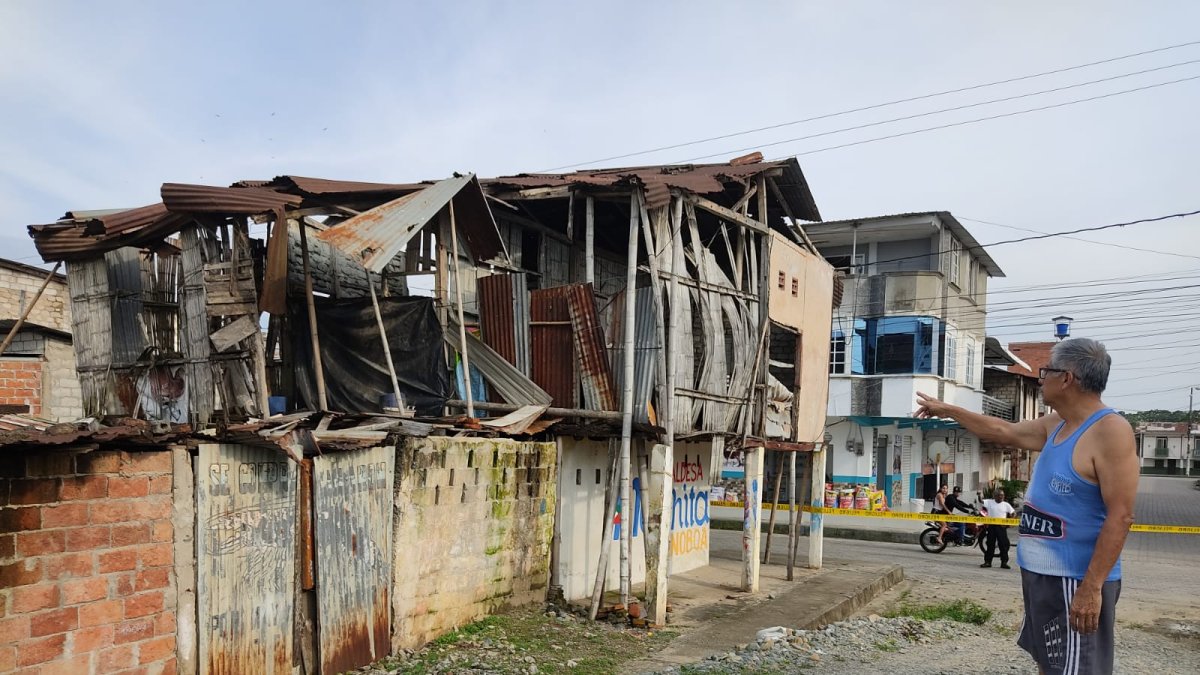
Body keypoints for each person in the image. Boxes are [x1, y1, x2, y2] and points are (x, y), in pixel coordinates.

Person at [915, 337, 1138, 674]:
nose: (1040, 378)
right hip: (1041, 574)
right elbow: (1004, 431)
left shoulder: (1110, 431)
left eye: (1046, 371)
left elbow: (1121, 516)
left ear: (1067, 378)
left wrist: (1091, 588)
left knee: (1079, 669)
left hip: (1074, 578)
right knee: (1049, 663)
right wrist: (948, 410)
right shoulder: (1057, 424)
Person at [980, 488, 1017, 568]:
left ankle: (1004, 562)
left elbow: (1013, 513)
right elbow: (981, 501)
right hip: (991, 527)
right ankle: (988, 562)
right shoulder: (990, 502)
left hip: (1001, 527)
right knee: (990, 544)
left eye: (1002, 495)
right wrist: (979, 495)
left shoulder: (1006, 504)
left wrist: (1010, 521)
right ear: (995, 496)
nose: (1001, 497)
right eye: (1000, 495)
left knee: (1003, 545)